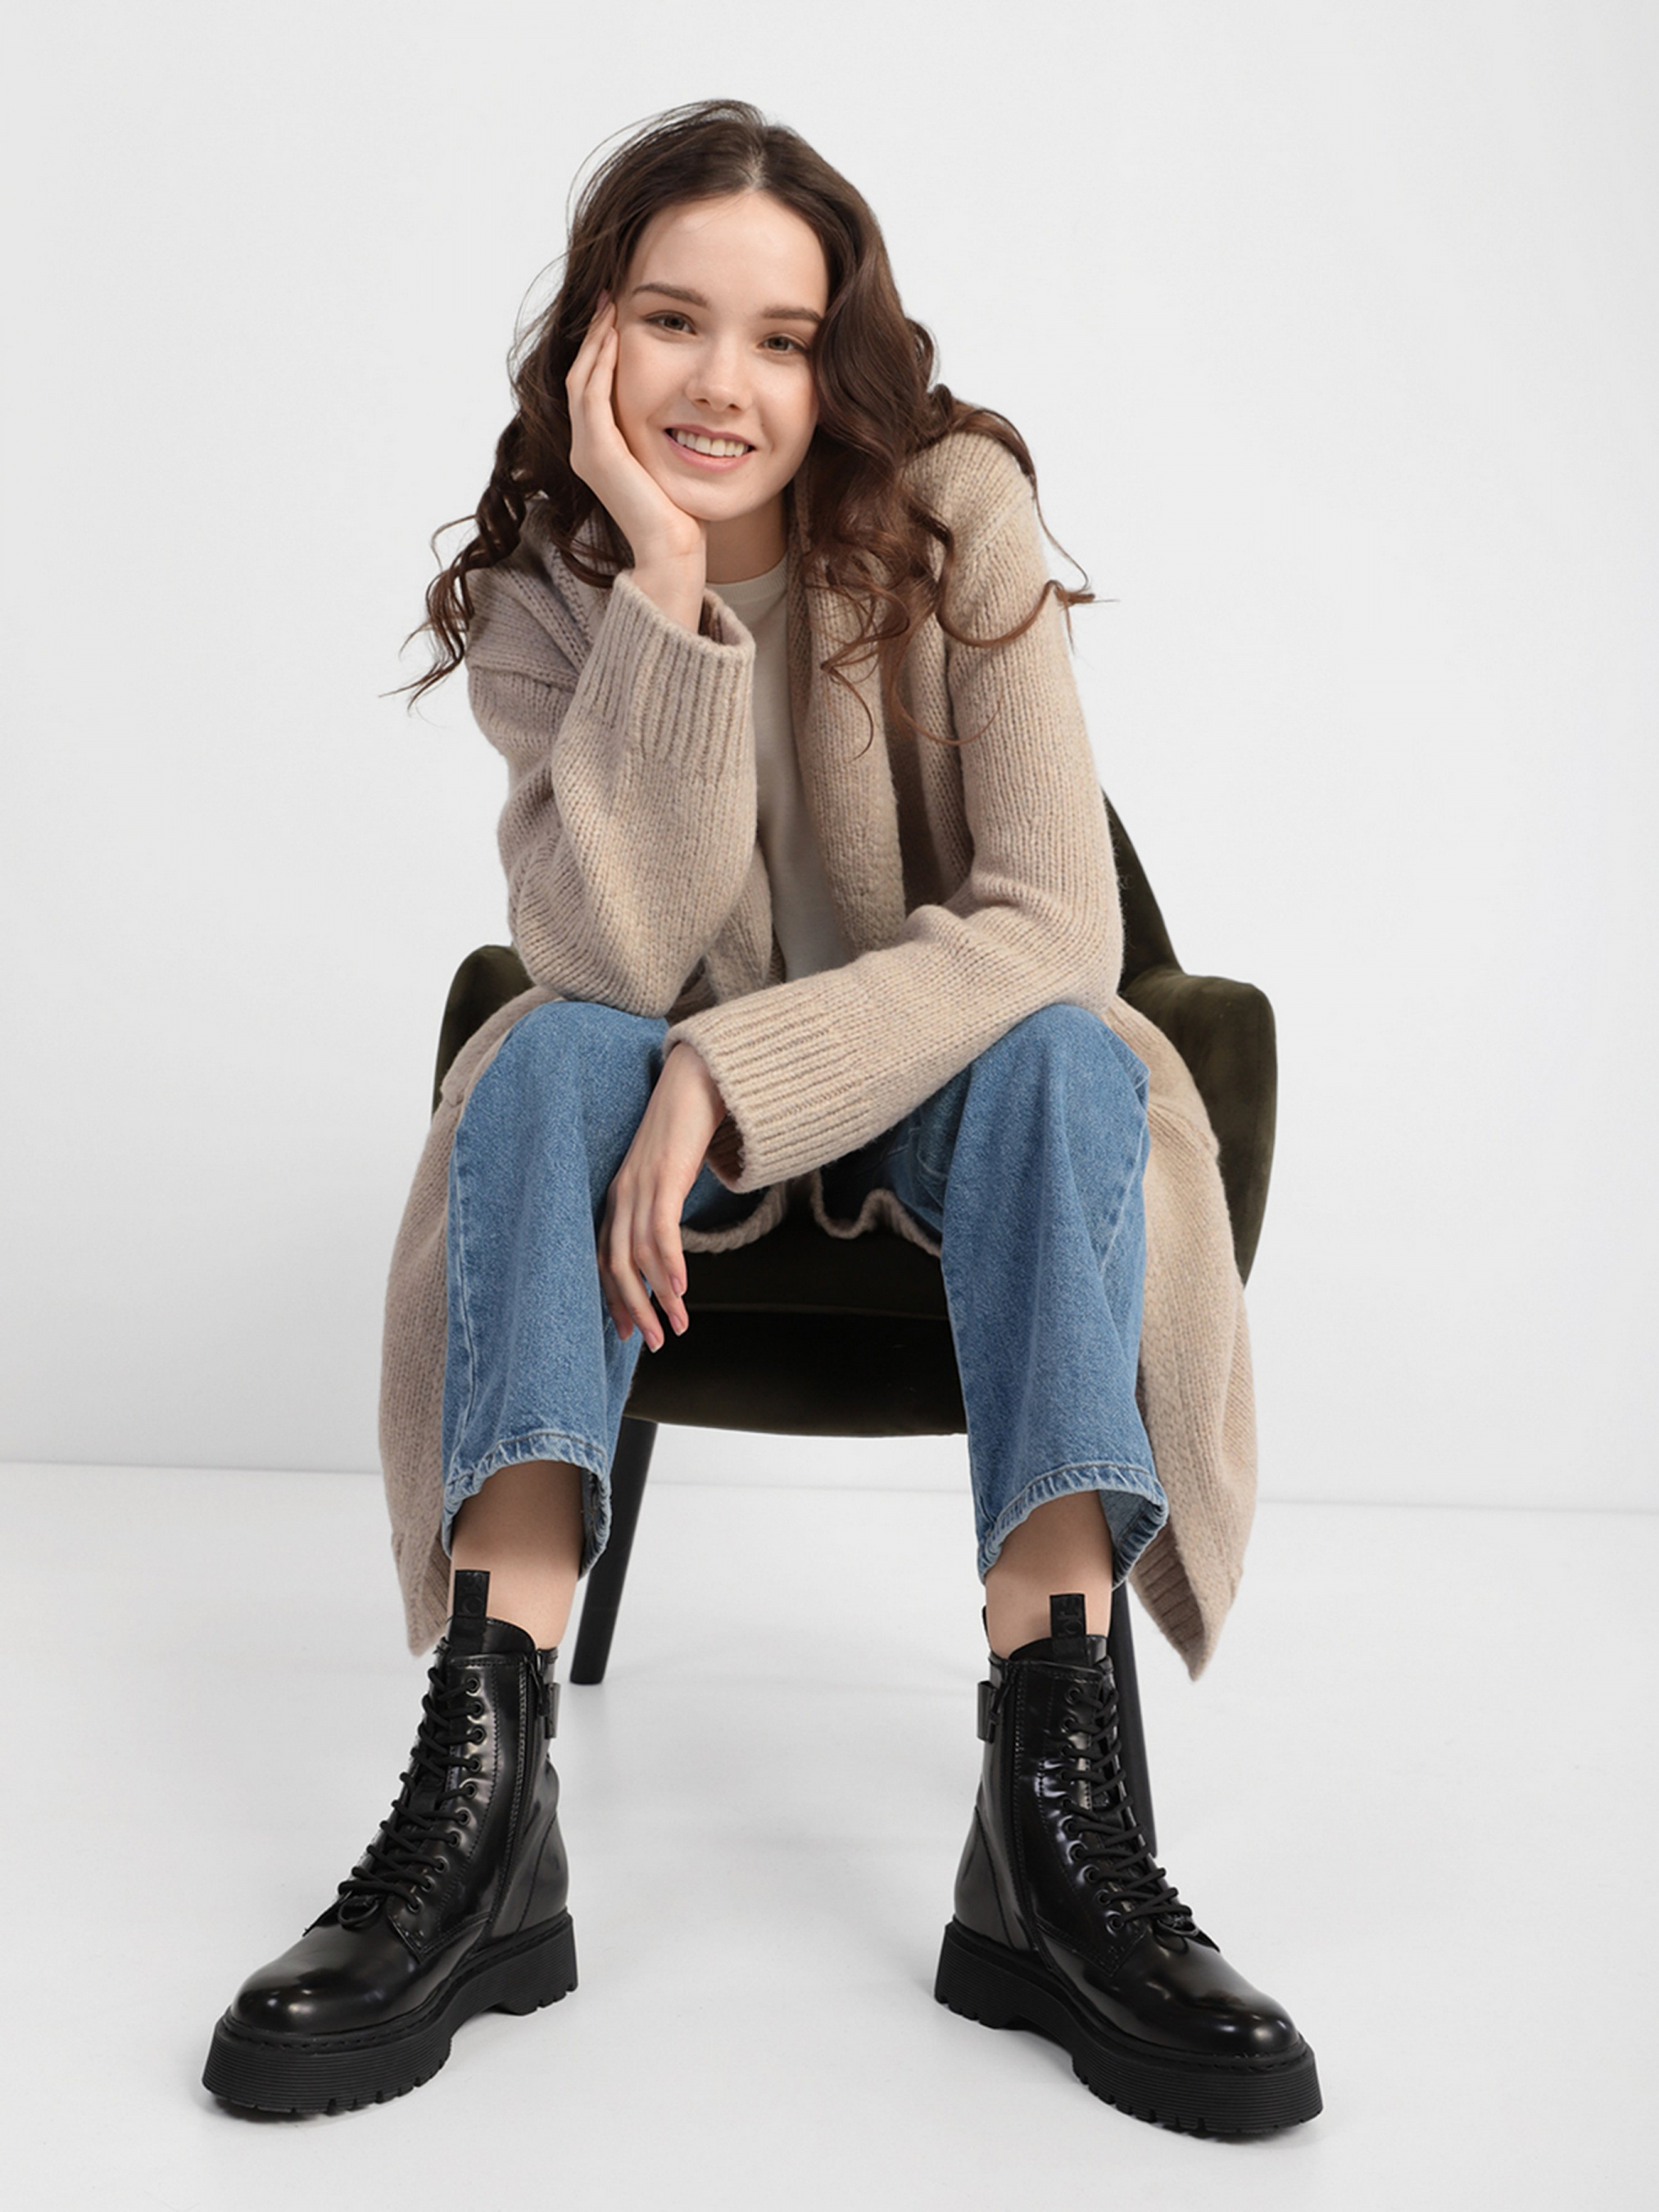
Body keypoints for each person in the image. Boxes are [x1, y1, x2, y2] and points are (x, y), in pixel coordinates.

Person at [202, 97, 1320, 2137]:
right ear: (593, 341)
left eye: (782, 338)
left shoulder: (955, 514)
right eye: (671, 319)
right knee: (543, 1052)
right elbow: (611, 959)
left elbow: (1054, 926)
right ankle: (484, 1797)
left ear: (837, 362)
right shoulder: (551, 589)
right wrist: (658, 583)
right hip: (646, 1130)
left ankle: (1053, 1822)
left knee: (1069, 1054)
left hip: (948, 1102)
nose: (723, 382)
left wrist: (740, 1075)